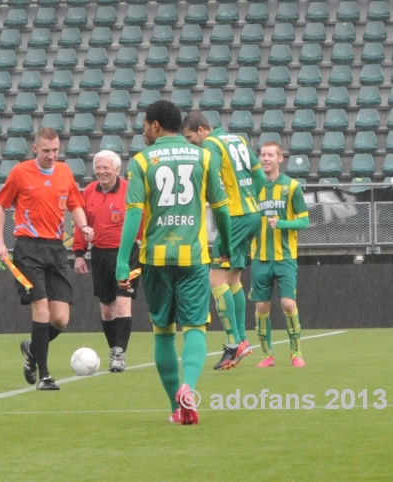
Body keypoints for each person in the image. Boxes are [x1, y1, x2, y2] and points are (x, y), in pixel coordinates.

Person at [117, 100, 232, 425]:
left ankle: (174, 408)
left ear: (155, 126)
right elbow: (221, 208)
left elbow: (134, 213)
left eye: (143, 125)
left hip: (154, 259)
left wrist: (123, 262)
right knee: (194, 327)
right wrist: (225, 243)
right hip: (193, 257)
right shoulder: (204, 156)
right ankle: (188, 387)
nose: (143, 131)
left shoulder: (142, 161)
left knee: (164, 333)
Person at [0, 127, 94, 391]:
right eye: (46, 150)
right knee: (41, 309)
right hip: (28, 248)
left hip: (56, 249)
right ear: (35, 149)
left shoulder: (64, 172)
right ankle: (45, 376)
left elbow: (75, 204)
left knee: (60, 319)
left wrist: (83, 227)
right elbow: (0, 205)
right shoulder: (20, 172)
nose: (51, 155)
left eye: (55, 150)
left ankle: (32, 349)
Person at [181, 113, 266, 370]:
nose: (191, 143)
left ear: (201, 129)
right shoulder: (238, 139)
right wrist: (248, 196)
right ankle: (241, 338)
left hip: (236, 217)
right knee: (233, 279)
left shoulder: (210, 144)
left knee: (215, 279)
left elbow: (213, 178)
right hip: (253, 212)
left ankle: (232, 343)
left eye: (190, 138)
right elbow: (260, 176)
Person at [73, 150, 140, 372]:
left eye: (106, 167)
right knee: (106, 309)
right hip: (100, 255)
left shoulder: (130, 190)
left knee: (122, 303)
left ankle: (120, 354)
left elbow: (142, 218)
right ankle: (113, 350)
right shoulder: (90, 191)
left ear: (117, 170)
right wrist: (80, 253)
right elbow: (81, 223)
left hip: (127, 254)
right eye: (98, 167)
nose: (101, 171)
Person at [250, 142, 309, 368]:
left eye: (270, 155)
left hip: (285, 256)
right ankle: (267, 355)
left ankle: (296, 352)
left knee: (287, 304)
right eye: (263, 155)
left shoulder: (292, 187)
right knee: (261, 307)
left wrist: (282, 223)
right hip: (259, 256)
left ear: (280, 159)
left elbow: (305, 220)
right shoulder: (254, 188)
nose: (265, 159)